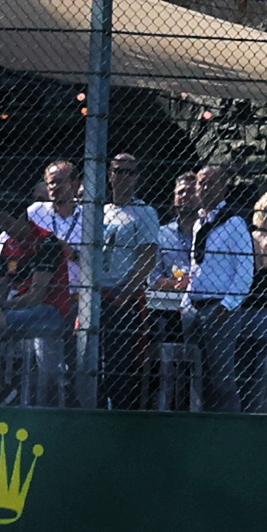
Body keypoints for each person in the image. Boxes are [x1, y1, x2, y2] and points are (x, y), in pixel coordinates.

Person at [169, 169, 258, 412]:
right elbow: (196, 266)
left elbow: (245, 270)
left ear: (223, 189)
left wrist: (227, 305)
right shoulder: (199, 224)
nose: (205, 188)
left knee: (221, 377)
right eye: (201, 184)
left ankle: (229, 426)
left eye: (211, 184)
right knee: (196, 377)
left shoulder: (234, 222)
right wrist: (186, 302)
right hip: (194, 308)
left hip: (220, 309)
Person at [92, 155, 171, 408]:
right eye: (118, 171)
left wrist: (125, 294)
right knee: (91, 359)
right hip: (94, 295)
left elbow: (148, 257)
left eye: (129, 172)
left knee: (118, 363)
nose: (123, 176)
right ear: (109, 175)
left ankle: (120, 411)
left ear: (138, 177)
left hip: (121, 297)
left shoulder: (144, 212)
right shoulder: (100, 211)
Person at [0, 180, 78, 406]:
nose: (7, 229)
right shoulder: (10, 244)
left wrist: (0, 307)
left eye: (9, 223)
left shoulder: (46, 241)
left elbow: (36, 296)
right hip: (20, 305)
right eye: (2, 225)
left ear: (21, 217)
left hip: (50, 309)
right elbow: (7, 280)